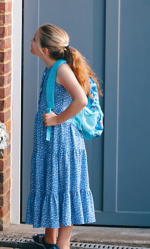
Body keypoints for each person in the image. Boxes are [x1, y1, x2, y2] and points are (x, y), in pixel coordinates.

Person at [27, 24, 100, 249]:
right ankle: (49, 239)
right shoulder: (52, 68)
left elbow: (81, 100)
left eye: (34, 39)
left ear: (44, 50)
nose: (30, 41)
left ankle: (63, 244)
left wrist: (58, 119)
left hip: (63, 141)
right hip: (51, 140)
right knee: (53, 185)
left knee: (65, 186)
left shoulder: (61, 70)